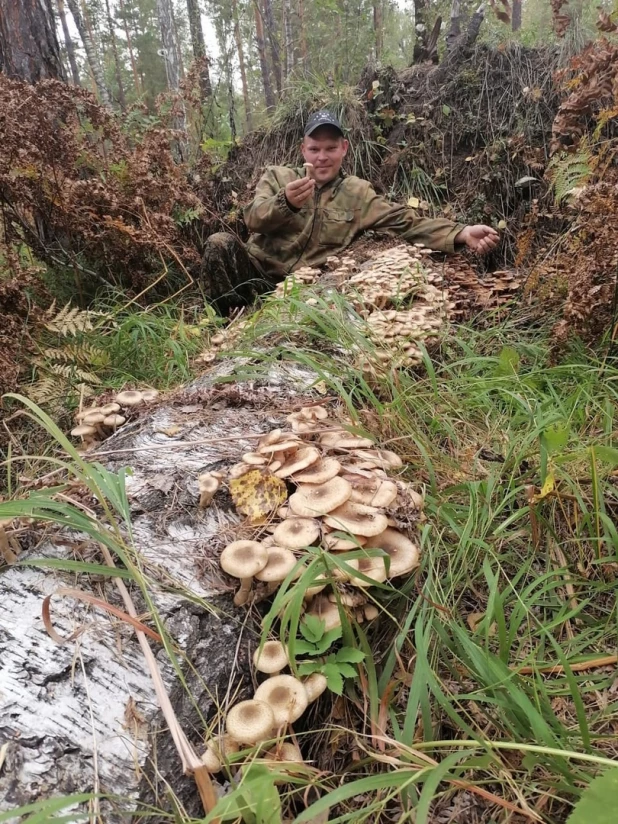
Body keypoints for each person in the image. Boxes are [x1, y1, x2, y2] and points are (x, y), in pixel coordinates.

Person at [201, 111, 499, 311]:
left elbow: (405, 221)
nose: (322, 157)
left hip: (306, 290)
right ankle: (228, 321)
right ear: (303, 149)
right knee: (218, 244)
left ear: (344, 148)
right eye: (314, 149)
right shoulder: (279, 176)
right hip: (258, 272)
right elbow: (252, 218)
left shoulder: (357, 192)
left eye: (330, 148)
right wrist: (285, 203)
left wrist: (460, 233)